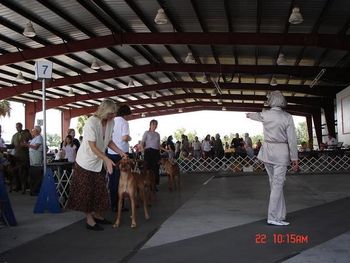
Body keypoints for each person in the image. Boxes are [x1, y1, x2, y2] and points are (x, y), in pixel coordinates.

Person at [68, 99, 128, 231]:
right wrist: (106, 159)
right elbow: (92, 146)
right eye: (110, 113)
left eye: (114, 113)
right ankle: (89, 220)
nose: (113, 116)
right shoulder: (91, 122)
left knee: (100, 190)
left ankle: (98, 215)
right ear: (103, 110)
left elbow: (108, 141)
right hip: (85, 162)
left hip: (98, 162)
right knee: (87, 191)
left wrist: (121, 152)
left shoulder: (111, 122)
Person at [246, 90, 299, 226]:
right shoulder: (287, 117)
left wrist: (249, 115)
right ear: (282, 101)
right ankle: (273, 217)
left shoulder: (265, 115)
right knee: (277, 185)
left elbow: (251, 115)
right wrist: (295, 158)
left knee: (274, 184)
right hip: (281, 153)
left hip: (267, 153)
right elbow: (292, 139)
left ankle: (280, 214)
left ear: (270, 101)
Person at [107, 104, 132, 211]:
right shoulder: (124, 122)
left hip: (110, 153)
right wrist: (130, 138)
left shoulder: (111, 121)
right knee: (122, 180)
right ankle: (120, 205)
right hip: (122, 154)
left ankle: (113, 204)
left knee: (112, 179)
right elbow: (125, 137)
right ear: (126, 114)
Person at [141, 119, 161, 189]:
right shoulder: (146, 132)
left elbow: (158, 145)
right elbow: (142, 142)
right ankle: (147, 184)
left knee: (155, 169)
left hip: (156, 152)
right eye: (153, 124)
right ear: (150, 125)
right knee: (148, 169)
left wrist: (160, 154)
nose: (154, 125)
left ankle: (154, 184)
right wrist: (142, 150)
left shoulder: (158, 134)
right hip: (148, 152)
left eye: (156, 124)